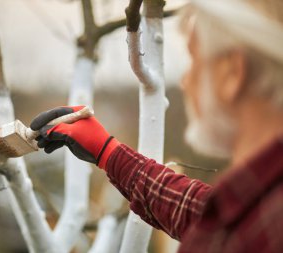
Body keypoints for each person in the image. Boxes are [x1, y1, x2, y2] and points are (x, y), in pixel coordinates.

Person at [30, 0, 283, 252]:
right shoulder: (254, 207)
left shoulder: (270, 229)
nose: (186, 81)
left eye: (194, 60)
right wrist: (108, 152)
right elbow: (198, 213)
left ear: (232, 72)